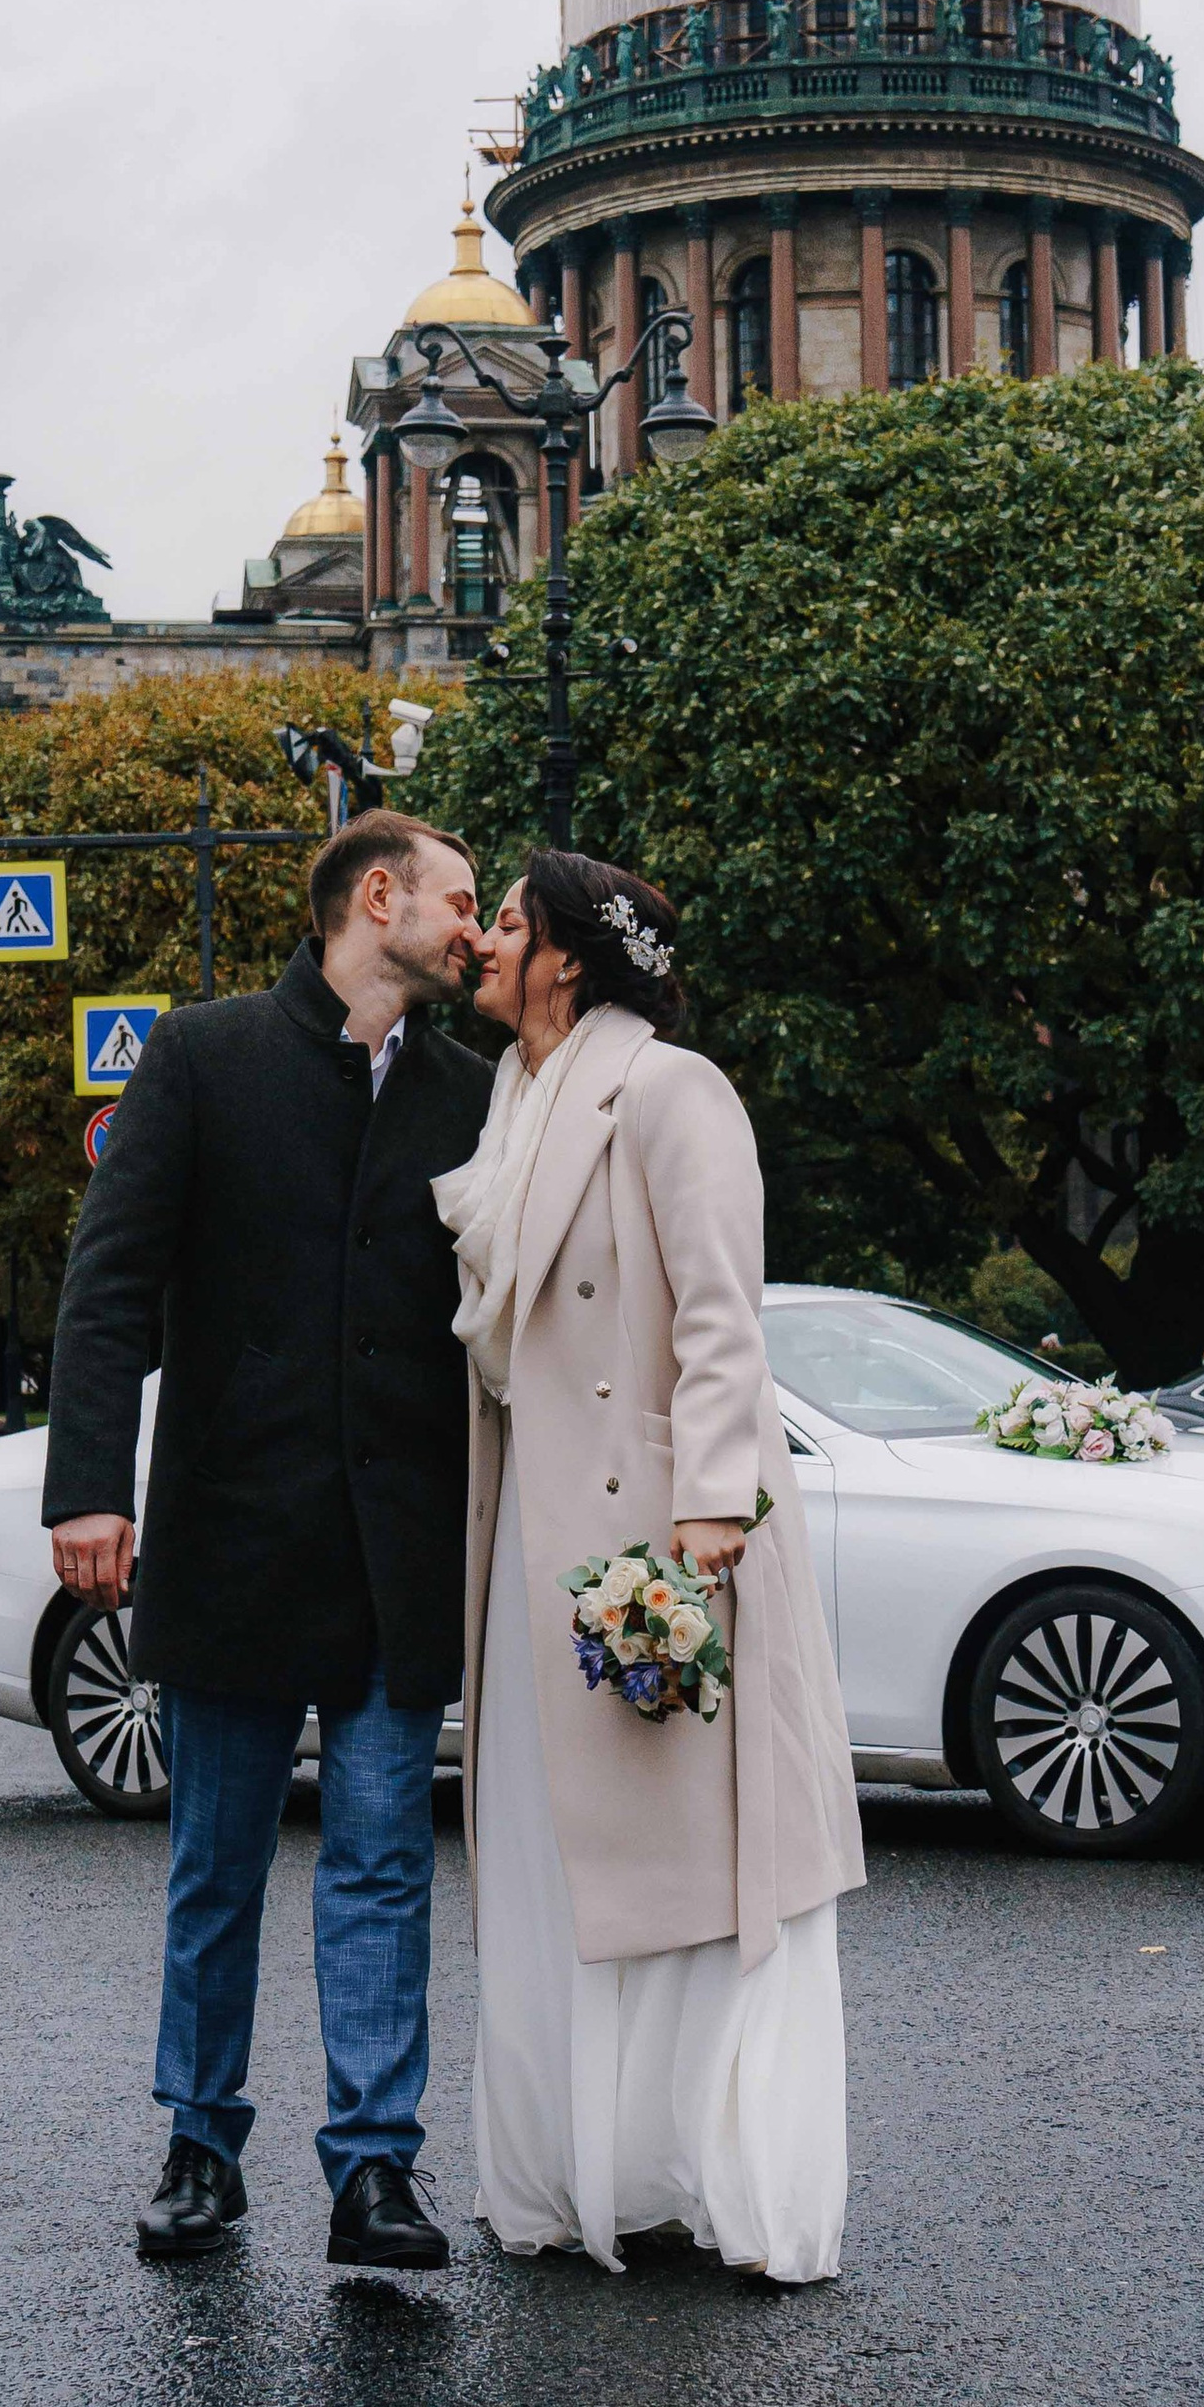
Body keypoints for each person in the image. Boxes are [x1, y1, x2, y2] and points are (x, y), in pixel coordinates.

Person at [43, 810, 491, 2270]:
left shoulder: (476, 1093)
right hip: (235, 1533)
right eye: (460, 901)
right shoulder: (204, 1055)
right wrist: (89, 1488)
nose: (475, 929)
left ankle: (375, 2168)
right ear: (380, 897)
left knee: (383, 1863)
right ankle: (200, 2145)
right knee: (217, 1863)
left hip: (397, 1549)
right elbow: (110, 1284)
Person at [436, 851, 864, 2282]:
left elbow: (721, 1313)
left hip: (661, 1537)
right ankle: (585, 2174)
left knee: (696, 1879)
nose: (485, 942)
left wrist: (712, 1513)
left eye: (507, 923)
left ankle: (725, 2178)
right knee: (550, 1861)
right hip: (534, 1533)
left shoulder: (671, 1090)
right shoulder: (510, 1100)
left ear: (566, 958)